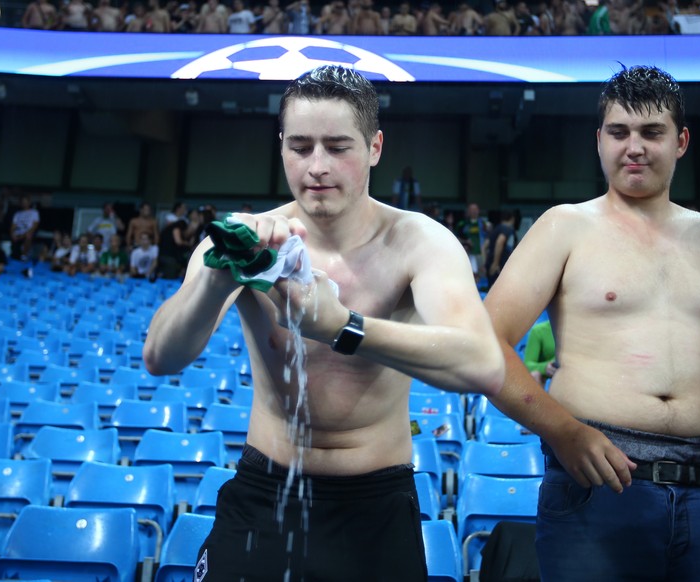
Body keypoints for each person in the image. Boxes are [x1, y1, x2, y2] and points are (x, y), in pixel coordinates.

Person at [143, 65, 504, 581]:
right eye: (300, 146)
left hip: (375, 504)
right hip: (265, 492)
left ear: (375, 147)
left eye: (338, 147)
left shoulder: (418, 242)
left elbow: (482, 365)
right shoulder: (244, 242)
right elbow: (160, 356)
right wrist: (218, 277)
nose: (317, 166)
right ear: (282, 146)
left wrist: (343, 326)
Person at [483, 65, 700, 581]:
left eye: (652, 132)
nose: (634, 146)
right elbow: (485, 343)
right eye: (618, 132)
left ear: (681, 141)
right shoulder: (564, 227)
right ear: (599, 140)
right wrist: (562, 430)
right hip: (598, 489)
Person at [455, 202, 489, 284]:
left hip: (481, 254)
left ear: (478, 211)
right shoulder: (462, 224)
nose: (474, 211)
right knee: (471, 276)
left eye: (475, 209)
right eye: (472, 209)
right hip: (468, 254)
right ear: (468, 211)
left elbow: (488, 238)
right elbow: (455, 238)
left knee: (482, 274)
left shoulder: (483, 224)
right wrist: (465, 241)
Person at [484, 208, 517, 289]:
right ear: (512, 218)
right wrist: (495, 263)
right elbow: (500, 241)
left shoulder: (495, 229)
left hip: (492, 265)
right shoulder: (507, 229)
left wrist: (487, 262)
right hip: (500, 267)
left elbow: (484, 246)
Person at [523, 319, 556, 386]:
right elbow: (527, 364)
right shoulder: (538, 331)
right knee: (534, 375)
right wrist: (545, 367)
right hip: (550, 379)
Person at [9, 195, 40, 261]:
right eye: (22, 202)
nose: (24, 203)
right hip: (18, 233)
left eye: (25, 201)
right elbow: (13, 226)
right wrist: (12, 234)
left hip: (28, 233)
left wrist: (24, 234)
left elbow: (35, 226)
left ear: (29, 202)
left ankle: (24, 255)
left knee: (29, 235)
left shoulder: (34, 212)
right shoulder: (17, 214)